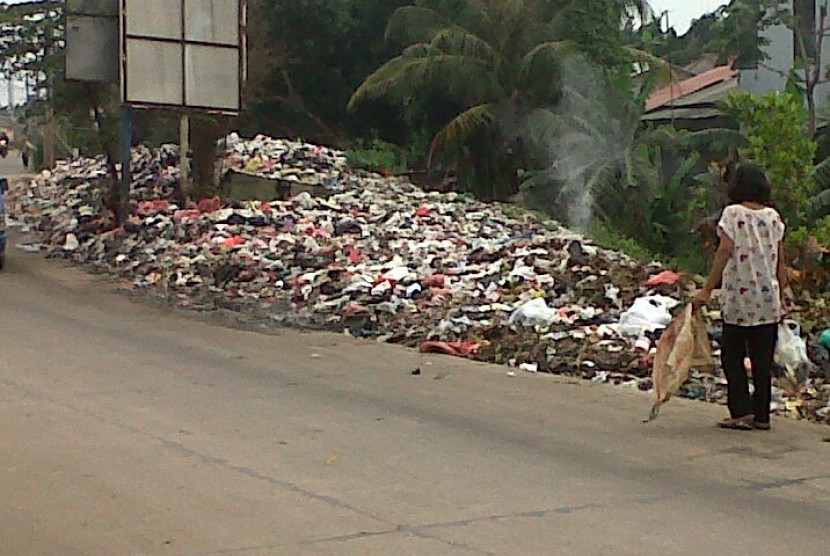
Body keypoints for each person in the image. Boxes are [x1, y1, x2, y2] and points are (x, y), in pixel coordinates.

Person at [693, 164, 787, 431]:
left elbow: (724, 251)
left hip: (739, 298)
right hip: (768, 299)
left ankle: (741, 411)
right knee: (762, 360)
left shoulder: (732, 214)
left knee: (732, 356)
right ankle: (762, 416)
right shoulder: (773, 217)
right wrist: (784, 291)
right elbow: (779, 257)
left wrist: (707, 288)